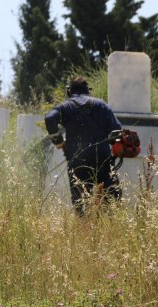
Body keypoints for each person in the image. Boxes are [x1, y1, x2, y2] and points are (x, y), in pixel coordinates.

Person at [44, 77, 122, 216]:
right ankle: (107, 230)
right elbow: (117, 130)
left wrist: (59, 142)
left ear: (69, 91)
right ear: (88, 91)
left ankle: (83, 230)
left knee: (80, 203)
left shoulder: (65, 107)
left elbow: (50, 118)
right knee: (112, 201)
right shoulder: (102, 105)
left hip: (77, 162)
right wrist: (110, 144)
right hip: (103, 161)